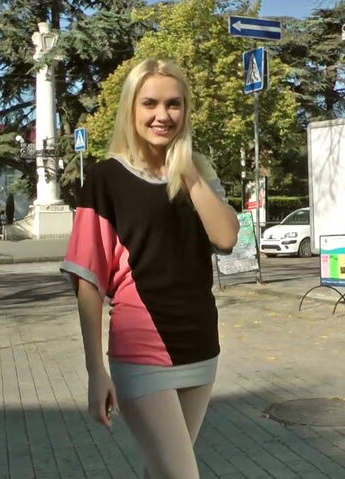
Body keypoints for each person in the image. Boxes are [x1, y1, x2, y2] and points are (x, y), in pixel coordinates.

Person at [60, 59, 239, 478]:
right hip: (142, 348)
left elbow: (226, 237)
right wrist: (95, 371)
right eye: (150, 103)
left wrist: (187, 169)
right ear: (131, 108)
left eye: (174, 104)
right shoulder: (105, 178)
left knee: (161, 472)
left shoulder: (198, 172)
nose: (163, 115)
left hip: (200, 343)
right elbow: (88, 281)